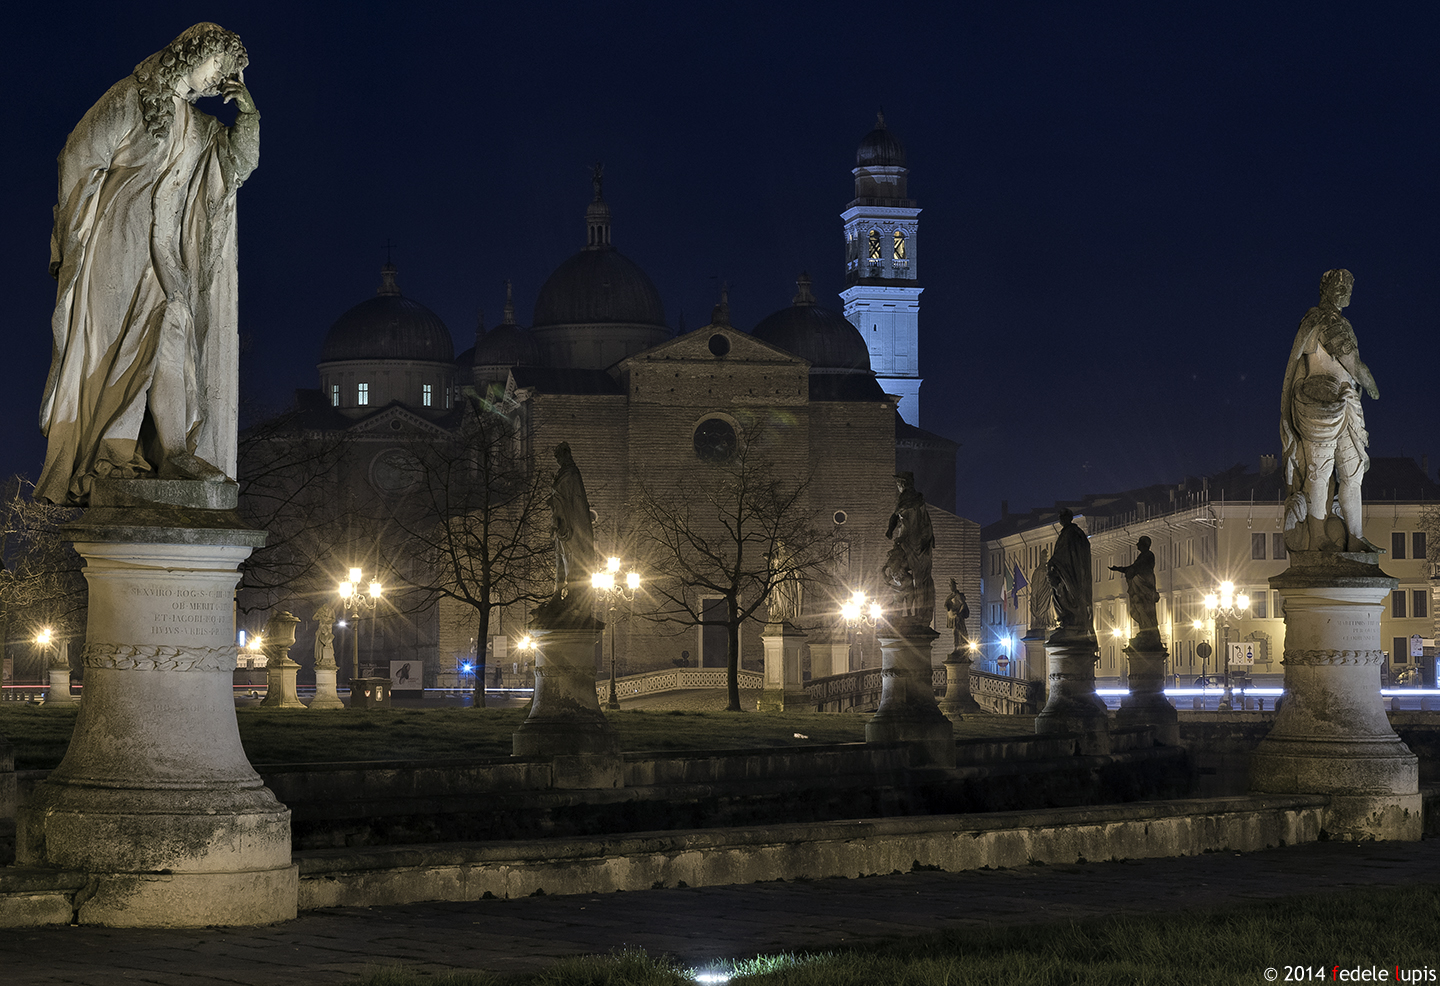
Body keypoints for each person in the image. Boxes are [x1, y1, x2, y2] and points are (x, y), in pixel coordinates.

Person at [37, 24, 258, 506]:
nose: (220, 79)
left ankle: (174, 448)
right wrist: (75, 234)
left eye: (227, 73)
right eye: (217, 66)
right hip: (119, 244)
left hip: (166, 251)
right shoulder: (130, 98)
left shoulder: (201, 127)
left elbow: (231, 170)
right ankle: (112, 451)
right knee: (118, 343)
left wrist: (249, 117)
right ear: (190, 54)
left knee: (171, 334)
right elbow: (77, 157)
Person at [1280, 269, 1379, 552]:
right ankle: (1318, 537)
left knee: (1351, 474)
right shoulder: (1324, 320)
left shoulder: (1336, 321)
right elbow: (1353, 364)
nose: (1346, 290)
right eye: (1340, 286)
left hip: (1344, 403)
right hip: (1320, 404)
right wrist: (1371, 385)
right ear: (1327, 289)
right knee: (1320, 473)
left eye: (1348, 285)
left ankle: (1356, 537)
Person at [537, 442, 596, 621]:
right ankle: (563, 596)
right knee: (563, 562)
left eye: (560, 456)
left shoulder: (570, 474)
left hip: (570, 528)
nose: (559, 460)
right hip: (565, 528)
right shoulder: (567, 474)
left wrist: (557, 509)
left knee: (570, 561)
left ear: (566, 455)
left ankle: (573, 599)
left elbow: (568, 502)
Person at [883, 472, 935, 625]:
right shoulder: (919, 499)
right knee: (918, 578)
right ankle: (915, 612)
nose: (898, 487)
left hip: (909, 539)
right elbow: (926, 522)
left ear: (902, 484)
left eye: (898, 484)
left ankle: (914, 613)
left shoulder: (906, 498)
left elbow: (895, 516)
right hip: (913, 540)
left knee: (907, 572)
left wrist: (890, 530)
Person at [1046, 507, 1094, 642]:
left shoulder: (1069, 534)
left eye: (1062, 517)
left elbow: (1064, 554)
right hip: (1070, 573)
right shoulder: (1075, 533)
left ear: (1067, 518)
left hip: (1068, 574)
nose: (1061, 520)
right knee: (1061, 596)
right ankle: (1069, 621)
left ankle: (1070, 621)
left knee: (1063, 595)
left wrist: (1053, 562)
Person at [1109, 536, 1160, 647]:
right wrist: (1120, 569)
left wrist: (1120, 569)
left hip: (1145, 587)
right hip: (1140, 588)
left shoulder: (1148, 556)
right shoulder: (1143, 556)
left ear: (1144, 545)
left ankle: (1148, 632)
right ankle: (1145, 631)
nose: (1137, 546)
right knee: (1138, 608)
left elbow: (1135, 567)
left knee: (1144, 608)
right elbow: (1133, 568)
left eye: (1139, 544)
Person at [944, 579, 969, 652]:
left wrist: (959, 613)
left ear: (955, 586)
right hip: (952, 617)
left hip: (957, 617)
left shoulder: (958, 595)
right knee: (955, 632)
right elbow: (946, 605)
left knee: (958, 632)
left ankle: (959, 647)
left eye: (952, 585)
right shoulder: (950, 596)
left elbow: (963, 604)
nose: (951, 587)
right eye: (950, 586)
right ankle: (956, 646)